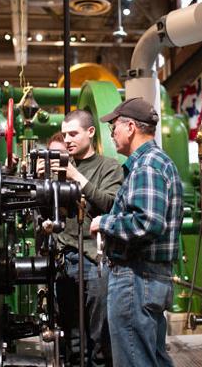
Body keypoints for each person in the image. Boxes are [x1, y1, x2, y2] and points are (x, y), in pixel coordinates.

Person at [90, 97, 183, 367]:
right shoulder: (158, 162)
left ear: (130, 127)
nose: (112, 134)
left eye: (114, 127)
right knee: (152, 358)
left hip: (135, 278)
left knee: (134, 361)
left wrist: (104, 223)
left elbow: (146, 223)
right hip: (148, 279)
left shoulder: (146, 166)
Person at [45, 111, 123, 367]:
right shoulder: (59, 168)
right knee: (73, 339)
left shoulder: (108, 167)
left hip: (94, 261)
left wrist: (76, 178)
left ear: (90, 132)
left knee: (100, 339)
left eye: (73, 133)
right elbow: (49, 210)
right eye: (65, 134)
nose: (67, 139)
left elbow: (110, 204)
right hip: (63, 261)